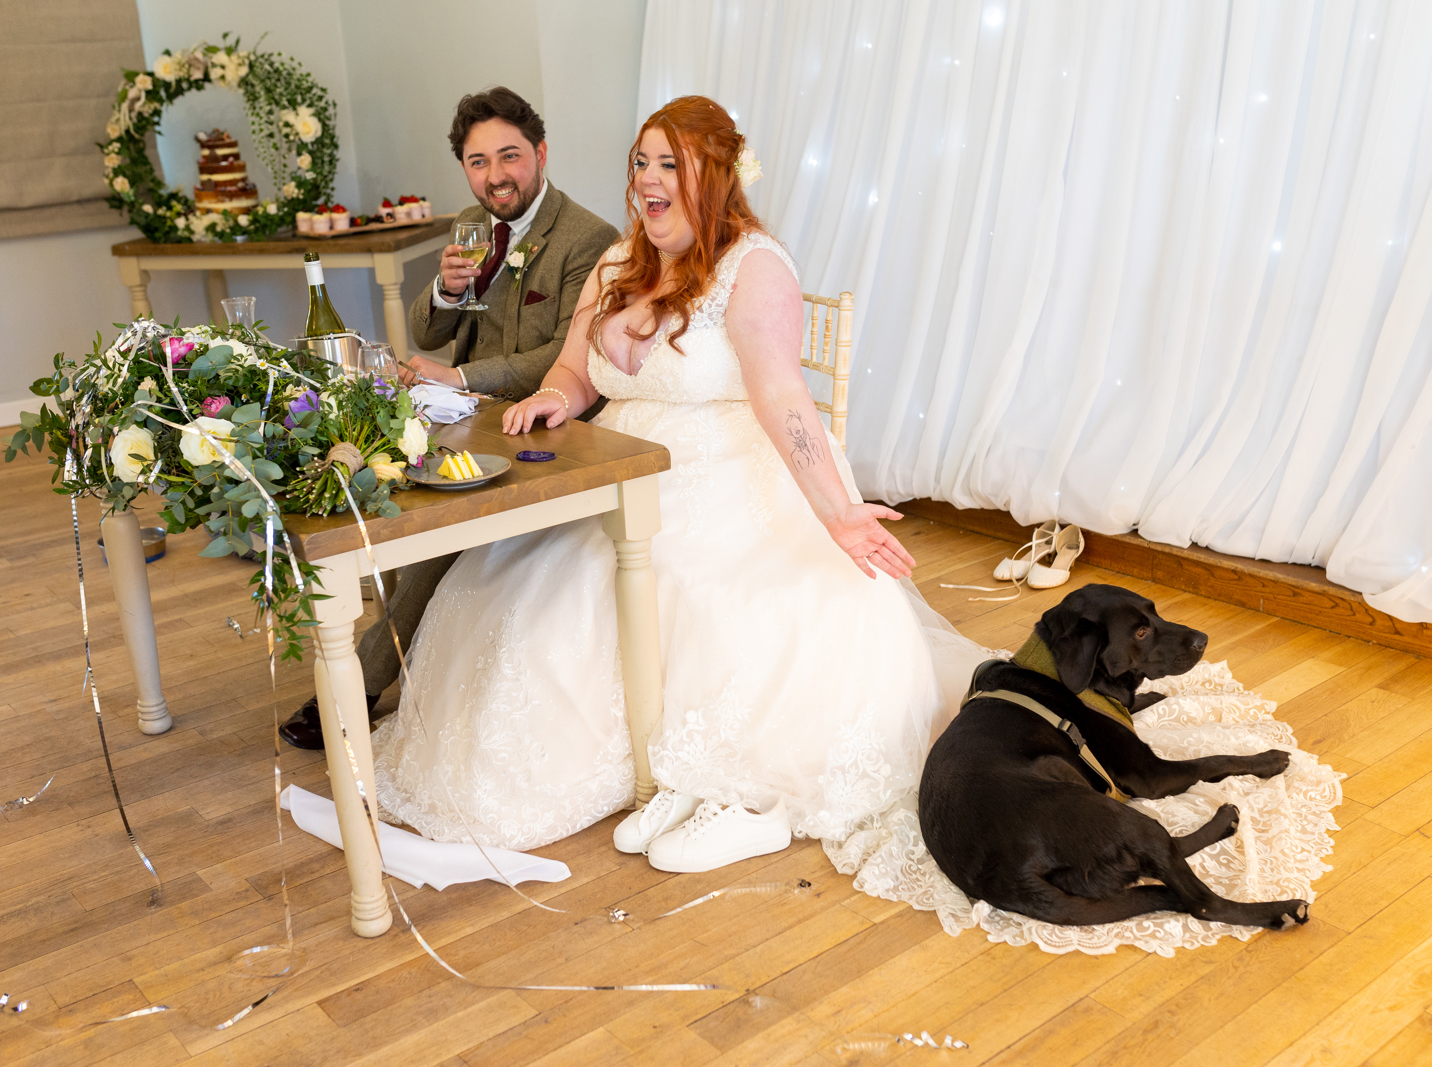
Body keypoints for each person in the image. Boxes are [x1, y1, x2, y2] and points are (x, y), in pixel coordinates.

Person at [367, 95, 983, 874]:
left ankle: (735, 792)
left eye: (670, 164)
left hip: (729, 472)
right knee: (518, 586)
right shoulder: (618, 261)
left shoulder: (754, 268)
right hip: (619, 469)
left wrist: (838, 513)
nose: (647, 180)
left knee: (674, 592)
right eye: (641, 162)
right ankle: (668, 778)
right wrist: (556, 396)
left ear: (716, 175)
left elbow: (783, 397)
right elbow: (574, 368)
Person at [279, 86, 618, 749]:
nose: (496, 176)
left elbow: (563, 355)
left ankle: (359, 683)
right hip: (462, 416)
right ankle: (385, 639)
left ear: (541, 153)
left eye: (510, 156)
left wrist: (460, 378)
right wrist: (446, 289)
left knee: (438, 529)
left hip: (542, 426)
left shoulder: (590, 239)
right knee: (372, 475)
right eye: (477, 161)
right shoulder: (470, 222)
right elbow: (427, 331)